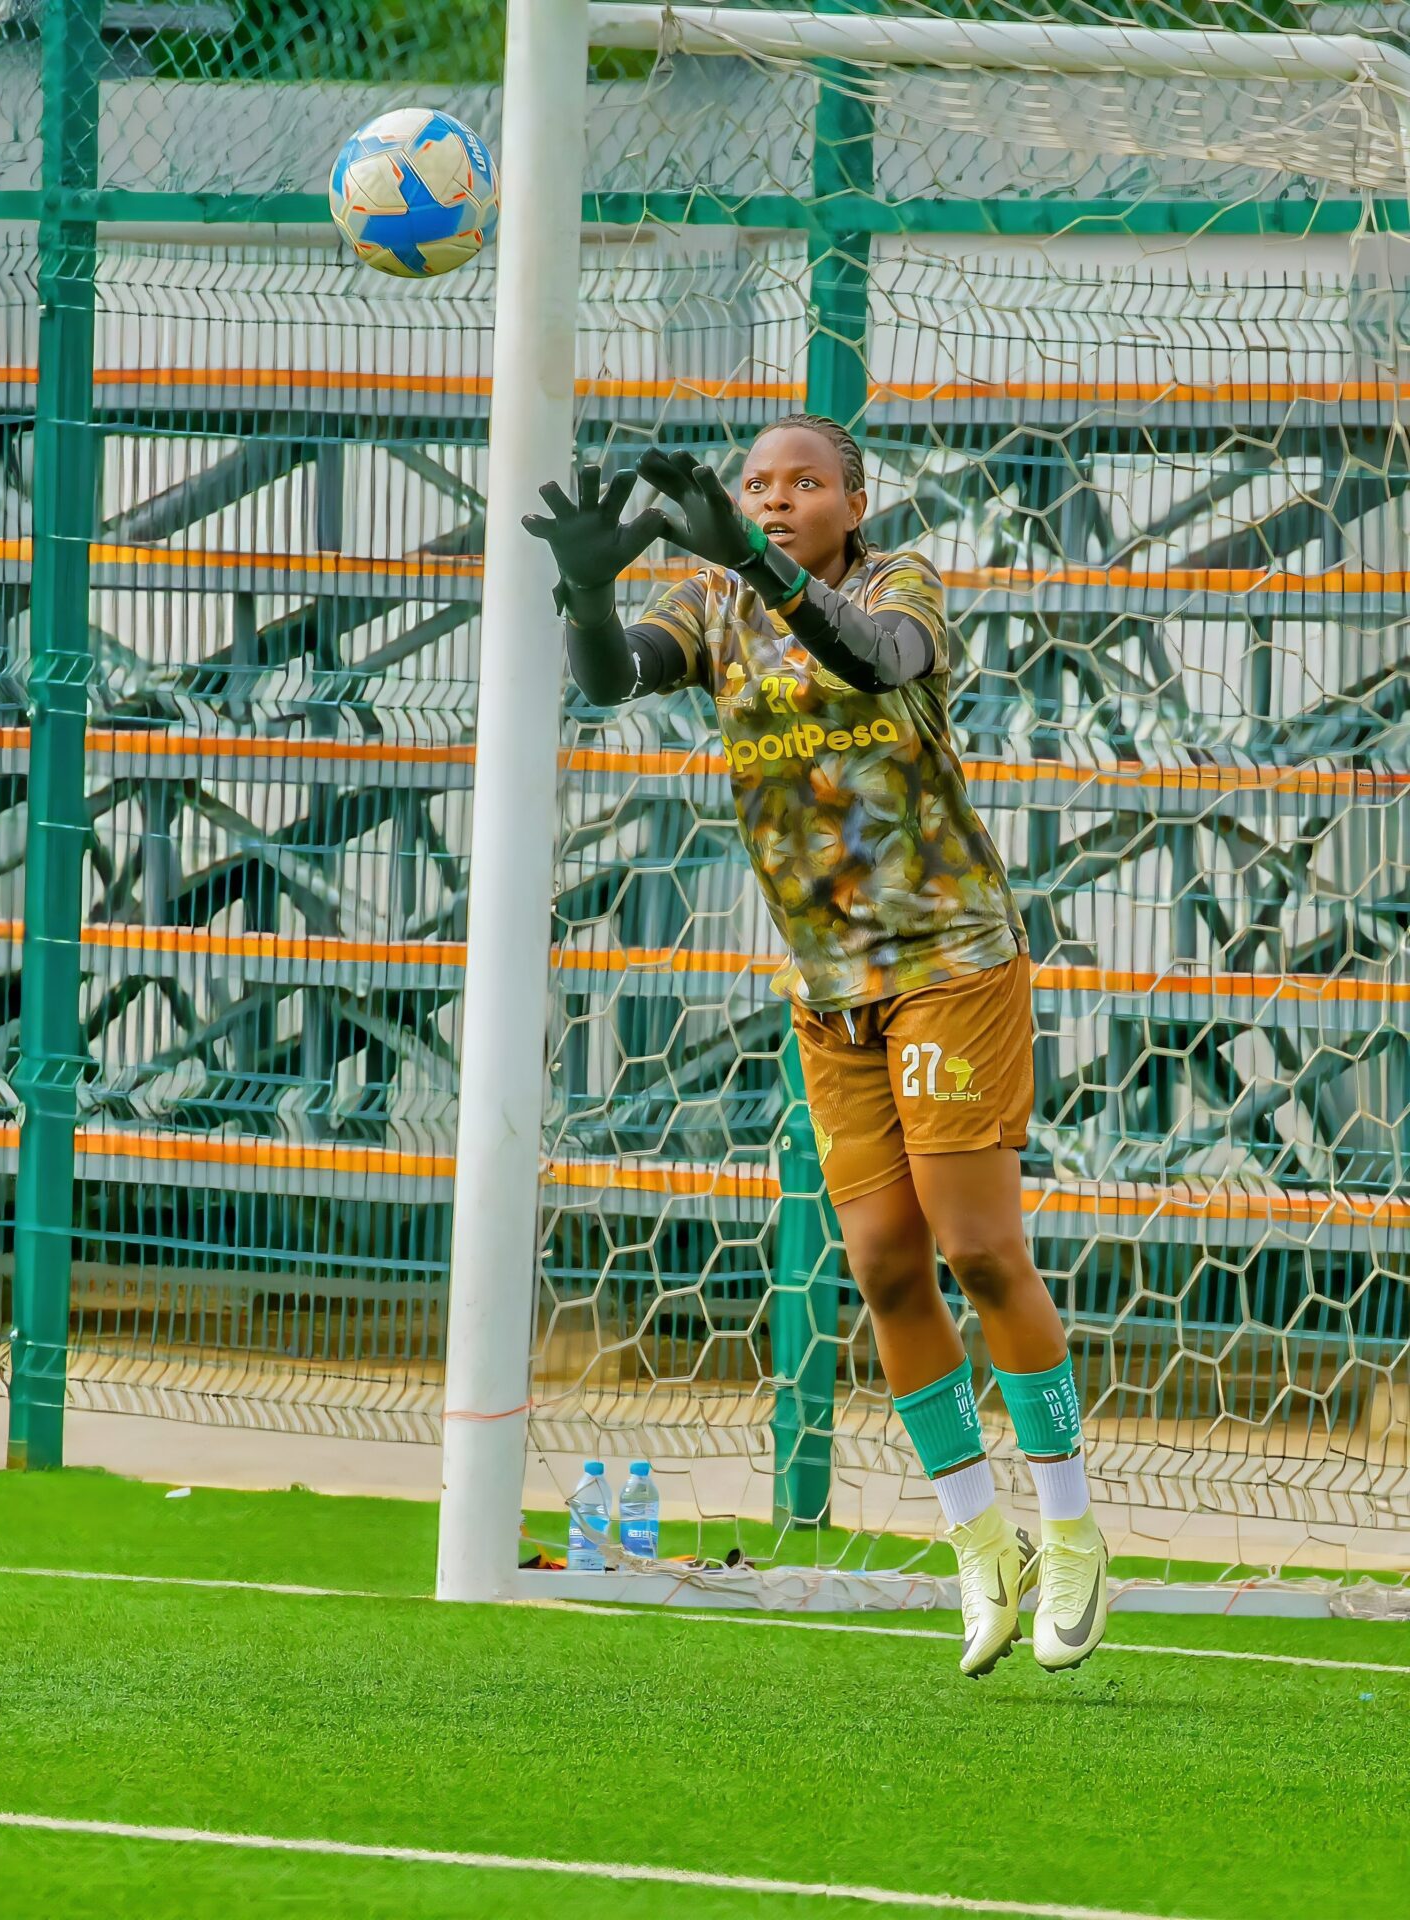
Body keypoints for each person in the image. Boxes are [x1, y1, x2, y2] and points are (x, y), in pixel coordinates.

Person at [523, 414, 1107, 1676]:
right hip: (830, 993)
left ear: (855, 500)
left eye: (803, 485)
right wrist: (582, 585)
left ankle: (1070, 1528)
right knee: (888, 1268)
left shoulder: (902, 586)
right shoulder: (712, 603)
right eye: (756, 486)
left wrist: (770, 570)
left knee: (979, 1248)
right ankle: (977, 1543)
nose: (775, 500)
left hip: (950, 960)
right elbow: (612, 678)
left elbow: (878, 662)